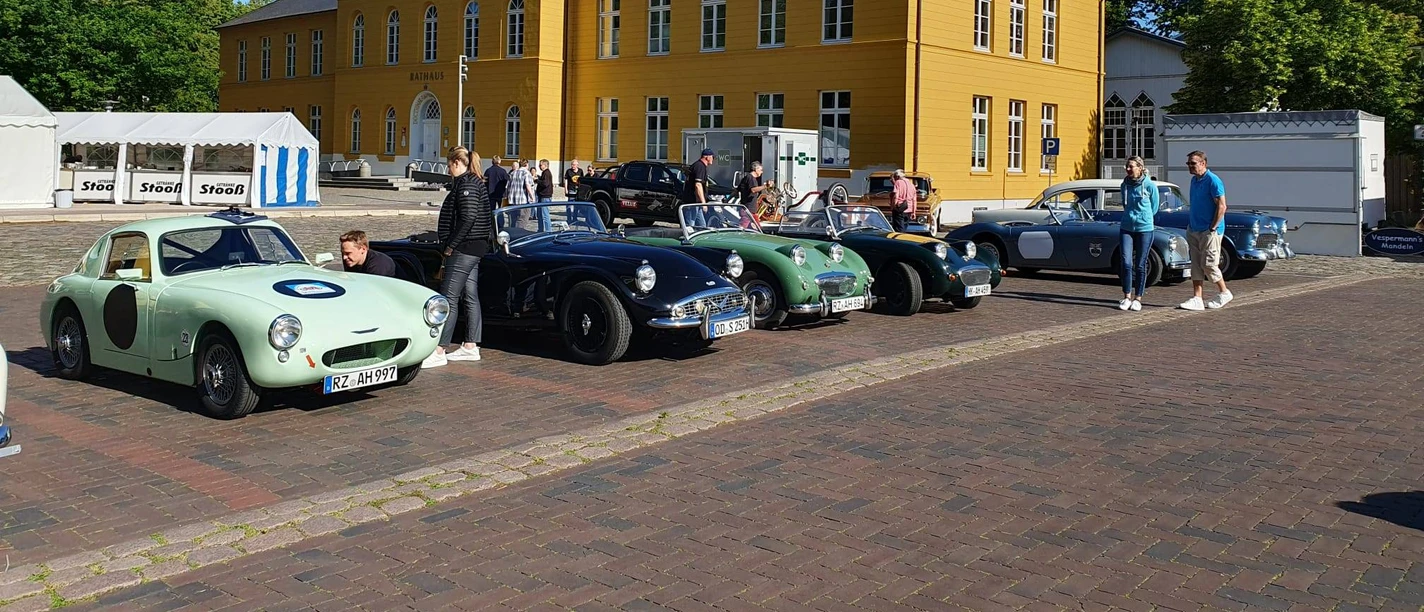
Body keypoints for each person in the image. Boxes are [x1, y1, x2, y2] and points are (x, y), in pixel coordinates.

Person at [424, 146, 493, 368]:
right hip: (474, 247)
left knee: (448, 297)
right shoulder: (473, 182)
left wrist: (450, 245)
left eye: (449, 165)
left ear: (456, 163)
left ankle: (439, 349)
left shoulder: (467, 184)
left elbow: (468, 218)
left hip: (465, 247)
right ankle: (470, 345)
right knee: (469, 295)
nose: (448, 170)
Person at [1179, 150, 1233, 311]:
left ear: (1203, 163)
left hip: (1209, 231)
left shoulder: (1213, 180)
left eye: (1193, 163)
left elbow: (1222, 206)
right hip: (1194, 228)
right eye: (1188, 163)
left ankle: (1224, 292)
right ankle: (1197, 298)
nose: (1190, 166)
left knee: (1209, 264)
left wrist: (1213, 227)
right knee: (1196, 265)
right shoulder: (1194, 180)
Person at [1118, 156, 1160, 312]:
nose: (1128, 169)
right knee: (1126, 262)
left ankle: (1138, 298)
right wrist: (1130, 217)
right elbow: (1125, 204)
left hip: (1145, 228)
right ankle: (1127, 296)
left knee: (1140, 264)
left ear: (1140, 168)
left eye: (1131, 166)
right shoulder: (1124, 185)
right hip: (1127, 227)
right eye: (1127, 167)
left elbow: (1154, 207)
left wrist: (1144, 218)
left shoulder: (1149, 185)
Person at [681, 148, 714, 226]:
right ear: (707, 157)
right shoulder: (700, 166)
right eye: (713, 157)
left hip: (697, 203)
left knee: (702, 226)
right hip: (692, 203)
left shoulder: (700, 166)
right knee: (690, 225)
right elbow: (698, 185)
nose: (713, 159)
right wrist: (704, 203)